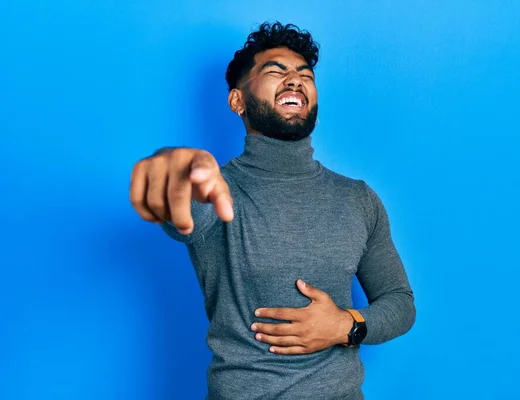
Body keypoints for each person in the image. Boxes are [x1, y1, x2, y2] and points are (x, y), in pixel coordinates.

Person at [129, 21, 416, 400]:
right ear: (237, 101)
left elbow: (399, 302)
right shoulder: (217, 190)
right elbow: (181, 210)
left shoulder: (358, 199)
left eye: (304, 75)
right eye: (275, 71)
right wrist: (170, 171)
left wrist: (346, 325)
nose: (295, 80)